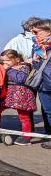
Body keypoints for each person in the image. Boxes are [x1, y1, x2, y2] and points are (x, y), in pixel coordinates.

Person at [0, 50, 36, 145]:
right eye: (3, 61)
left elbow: (20, 79)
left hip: (21, 95)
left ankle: (26, 137)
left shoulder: (24, 67)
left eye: (7, 60)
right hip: (8, 94)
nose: (5, 63)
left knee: (24, 116)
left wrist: (8, 69)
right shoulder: (5, 67)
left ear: (17, 59)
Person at [30, 19, 51, 148]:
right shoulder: (37, 46)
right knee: (48, 111)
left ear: (48, 30)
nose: (34, 34)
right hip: (43, 83)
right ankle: (49, 135)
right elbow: (37, 66)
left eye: (36, 31)